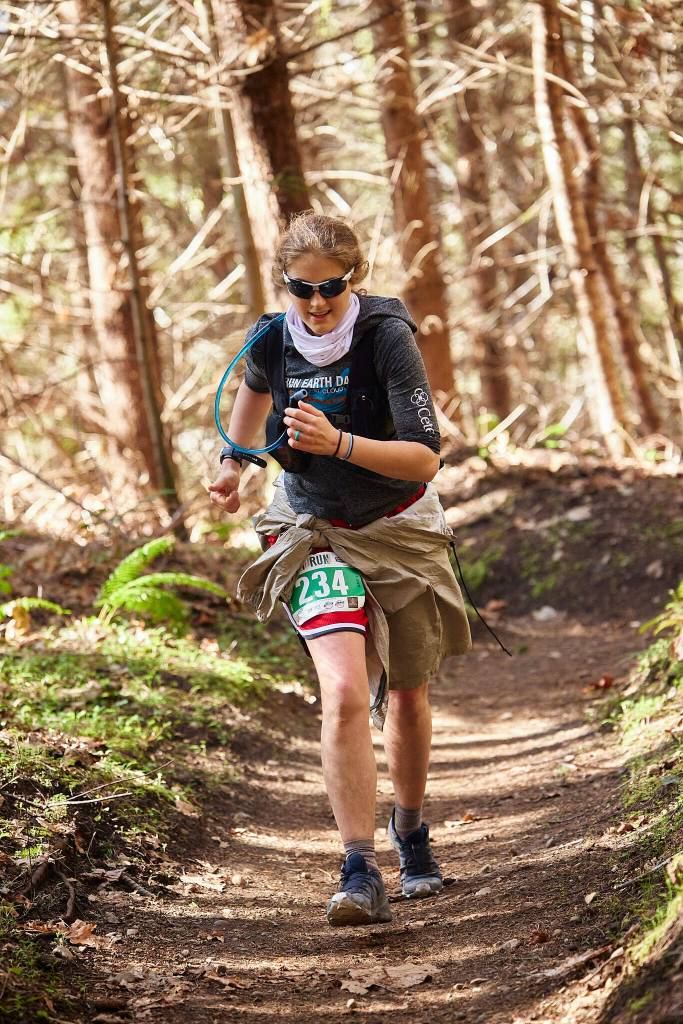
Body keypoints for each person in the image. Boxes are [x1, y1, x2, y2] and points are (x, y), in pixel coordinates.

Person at [209, 212, 471, 927]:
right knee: (346, 689)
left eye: (332, 286)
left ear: (354, 278)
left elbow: (423, 458)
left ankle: (409, 829)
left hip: (398, 528)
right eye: (302, 288)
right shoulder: (271, 338)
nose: (317, 302)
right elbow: (248, 404)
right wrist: (233, 467)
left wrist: (340, 443)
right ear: (284, 283)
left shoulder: (385, 336)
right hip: (312, 531)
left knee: (407, 695)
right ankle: (358, 869)